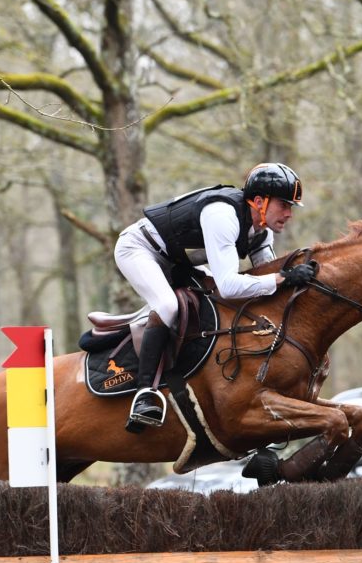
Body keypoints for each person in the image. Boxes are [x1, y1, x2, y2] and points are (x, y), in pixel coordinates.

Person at [113, 162, 316, 430]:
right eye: (284, 204)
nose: (289, 213)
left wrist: (297, 279)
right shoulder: (222, 215)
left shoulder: (262, 231)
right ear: (259, 202)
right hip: (140, 249)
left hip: (179, 261)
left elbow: (267, 279)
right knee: (167, 305)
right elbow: (230, 286)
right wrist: (284, 277)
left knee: (213, 303)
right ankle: (144, 394)